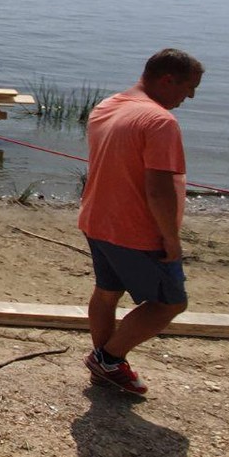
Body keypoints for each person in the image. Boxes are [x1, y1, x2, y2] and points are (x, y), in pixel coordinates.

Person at [78, 48, 204, 396]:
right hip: (135, 230)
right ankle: (109, 358)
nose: (189, 97)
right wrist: (172, 239)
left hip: (97, 218)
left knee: (107, 293)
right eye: (188, 88)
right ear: (167, 80)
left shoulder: (109, 106)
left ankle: (106, 366)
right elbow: (159, 189)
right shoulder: (160, 121)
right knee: (170, 303)